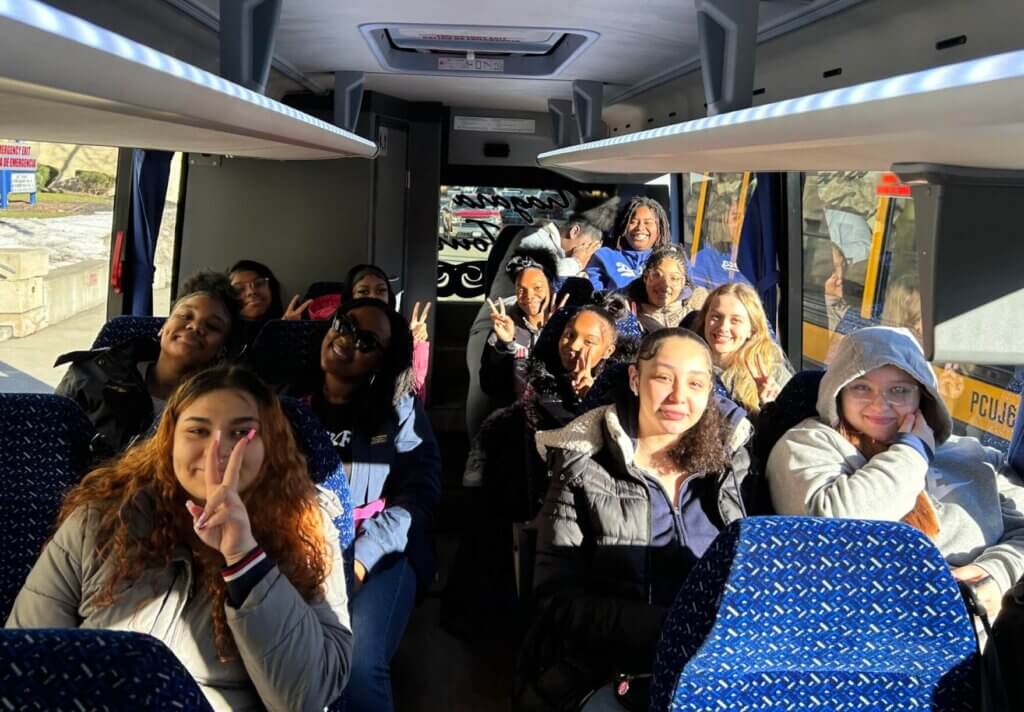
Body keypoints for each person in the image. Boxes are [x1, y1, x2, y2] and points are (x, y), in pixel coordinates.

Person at [7, 365, 352, 711]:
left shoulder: (307, 530)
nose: (217, 450)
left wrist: (246, 558)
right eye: (198, 430)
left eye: (241, 433)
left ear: (270, 447)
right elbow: (29, 659)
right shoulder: (102, 519)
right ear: (170, 441)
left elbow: (307, 695)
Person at [515, 328, 758, 711]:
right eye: (663, 377)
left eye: (695, 383)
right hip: (611, 668)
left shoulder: (731, 468)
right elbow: (556, 599)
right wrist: (671, 628)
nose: (679, 396)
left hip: (715, 666)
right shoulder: (584, 466)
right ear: (635, 379)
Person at [767, 326, 1024, 622]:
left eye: (899, 390)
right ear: (838, 391)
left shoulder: (972, 455)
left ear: (922, 397)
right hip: (868, 635)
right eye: (861, 387)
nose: (880, 404)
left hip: (980, 633)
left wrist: (994, 572)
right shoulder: (808, 445)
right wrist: (912, 451)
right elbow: (835, 532)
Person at [295, 298, 442, 712]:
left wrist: (362, 558)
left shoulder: (400, 411)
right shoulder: (284, 402)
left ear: (383, 361)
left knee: (357, 664)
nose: (346, 340)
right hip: (293, 542)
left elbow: (418, 496)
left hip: (379, 549)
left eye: (366, 341)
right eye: (344, 324)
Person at [466, 202, 616, 439]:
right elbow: (537, 273)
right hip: (498, 323)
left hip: (535, 326)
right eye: (585, 247)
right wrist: (577, 261)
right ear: (574, 232)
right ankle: (475, 447)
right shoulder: (533, 237)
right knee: (482, 393)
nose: (584, 255)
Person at [55, 272, 240, 455]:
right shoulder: (90, 375)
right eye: (186, 316)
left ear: (221, 351)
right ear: (164, 327)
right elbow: (50, 444)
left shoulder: (222, 409)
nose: (195, 327)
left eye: (212, 326)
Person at [691, 282, 792, 415]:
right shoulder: (687, 364)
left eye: (735, 321)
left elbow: (793, 430)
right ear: (704, 319)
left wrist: (770, 408)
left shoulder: (772, 373)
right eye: (716, 317)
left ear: (752, 329)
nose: (723, 327)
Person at [480, 253, 563, 409]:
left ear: (551, 286)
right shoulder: (506, 325)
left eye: (537, 287)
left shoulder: (567, 324)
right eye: (521, 289)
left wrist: (553, 331)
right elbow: (489, 385)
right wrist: (506, 344)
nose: (529, 296)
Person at [345, 263, 432, 402]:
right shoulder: (338, 332)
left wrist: (415, 344)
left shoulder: (398, 334)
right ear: (351, 296)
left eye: (380, 291)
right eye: (363, 292)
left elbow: (416, 394)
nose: (373, 297)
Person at [586, 196, 672, 291]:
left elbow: (687, 288)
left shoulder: (671, 258)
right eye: (633, 222)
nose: (640, 228)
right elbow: (594, 292)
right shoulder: (604, 256)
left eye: (648, 222)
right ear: (623, 225)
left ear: (660, 228)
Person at [228, 260, 311, 356]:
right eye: (239, 289)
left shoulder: (294, 321)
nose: (251, 292)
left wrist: (288, 330)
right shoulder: (223, 336)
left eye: (258, 283)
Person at [620, 245, 708, 333]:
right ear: (646, 277)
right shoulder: (628, 316)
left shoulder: (697, 320)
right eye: (657, 275)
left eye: (674, 278)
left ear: (683, 283)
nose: (665, 285)